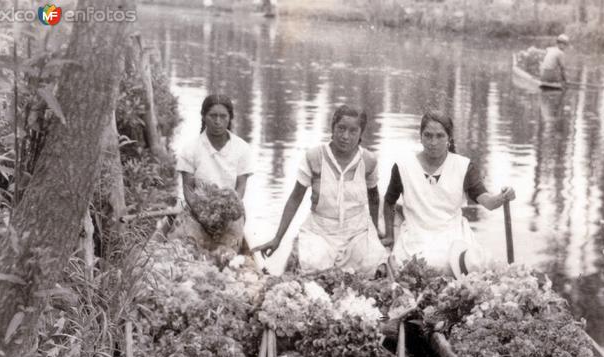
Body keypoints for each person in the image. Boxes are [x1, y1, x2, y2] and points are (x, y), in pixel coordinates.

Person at [253, 105, 386, 275]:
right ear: (332, 127)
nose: (345, 136)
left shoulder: (368, 161)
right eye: (341, 128)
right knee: (314, 265)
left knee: (371, 264)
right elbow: (295, 199)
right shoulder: (315, 157)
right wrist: (277, 238)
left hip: (357, 230)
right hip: (320, 230)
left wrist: (374, 232)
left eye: (353, 131)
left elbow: (374, 198)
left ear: (361, 133)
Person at [382, 111, 515, 274]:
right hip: (416, 232)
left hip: (452, 232)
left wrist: (502, 197)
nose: (433, 142)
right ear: (420, 137)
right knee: (414, 266)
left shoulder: (463, 166)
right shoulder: (403, 167)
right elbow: (389, 202)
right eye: (428, 135)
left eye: (440, 136)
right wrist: (390, 235)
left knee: (456, 263)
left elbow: (488, 202)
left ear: (449, 139)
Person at [171, 94, 256, 253]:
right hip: (197, 210)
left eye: (223, 116)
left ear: (230, 118)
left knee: (226, 254)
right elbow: (188, 190)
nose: (218, 121)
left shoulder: (242, 148)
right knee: (187, 251)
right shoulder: (191, 149)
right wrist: (203, 213)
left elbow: (241, 188)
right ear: (204, 117)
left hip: (230, 212)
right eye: (213, 116)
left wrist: (226, 213)